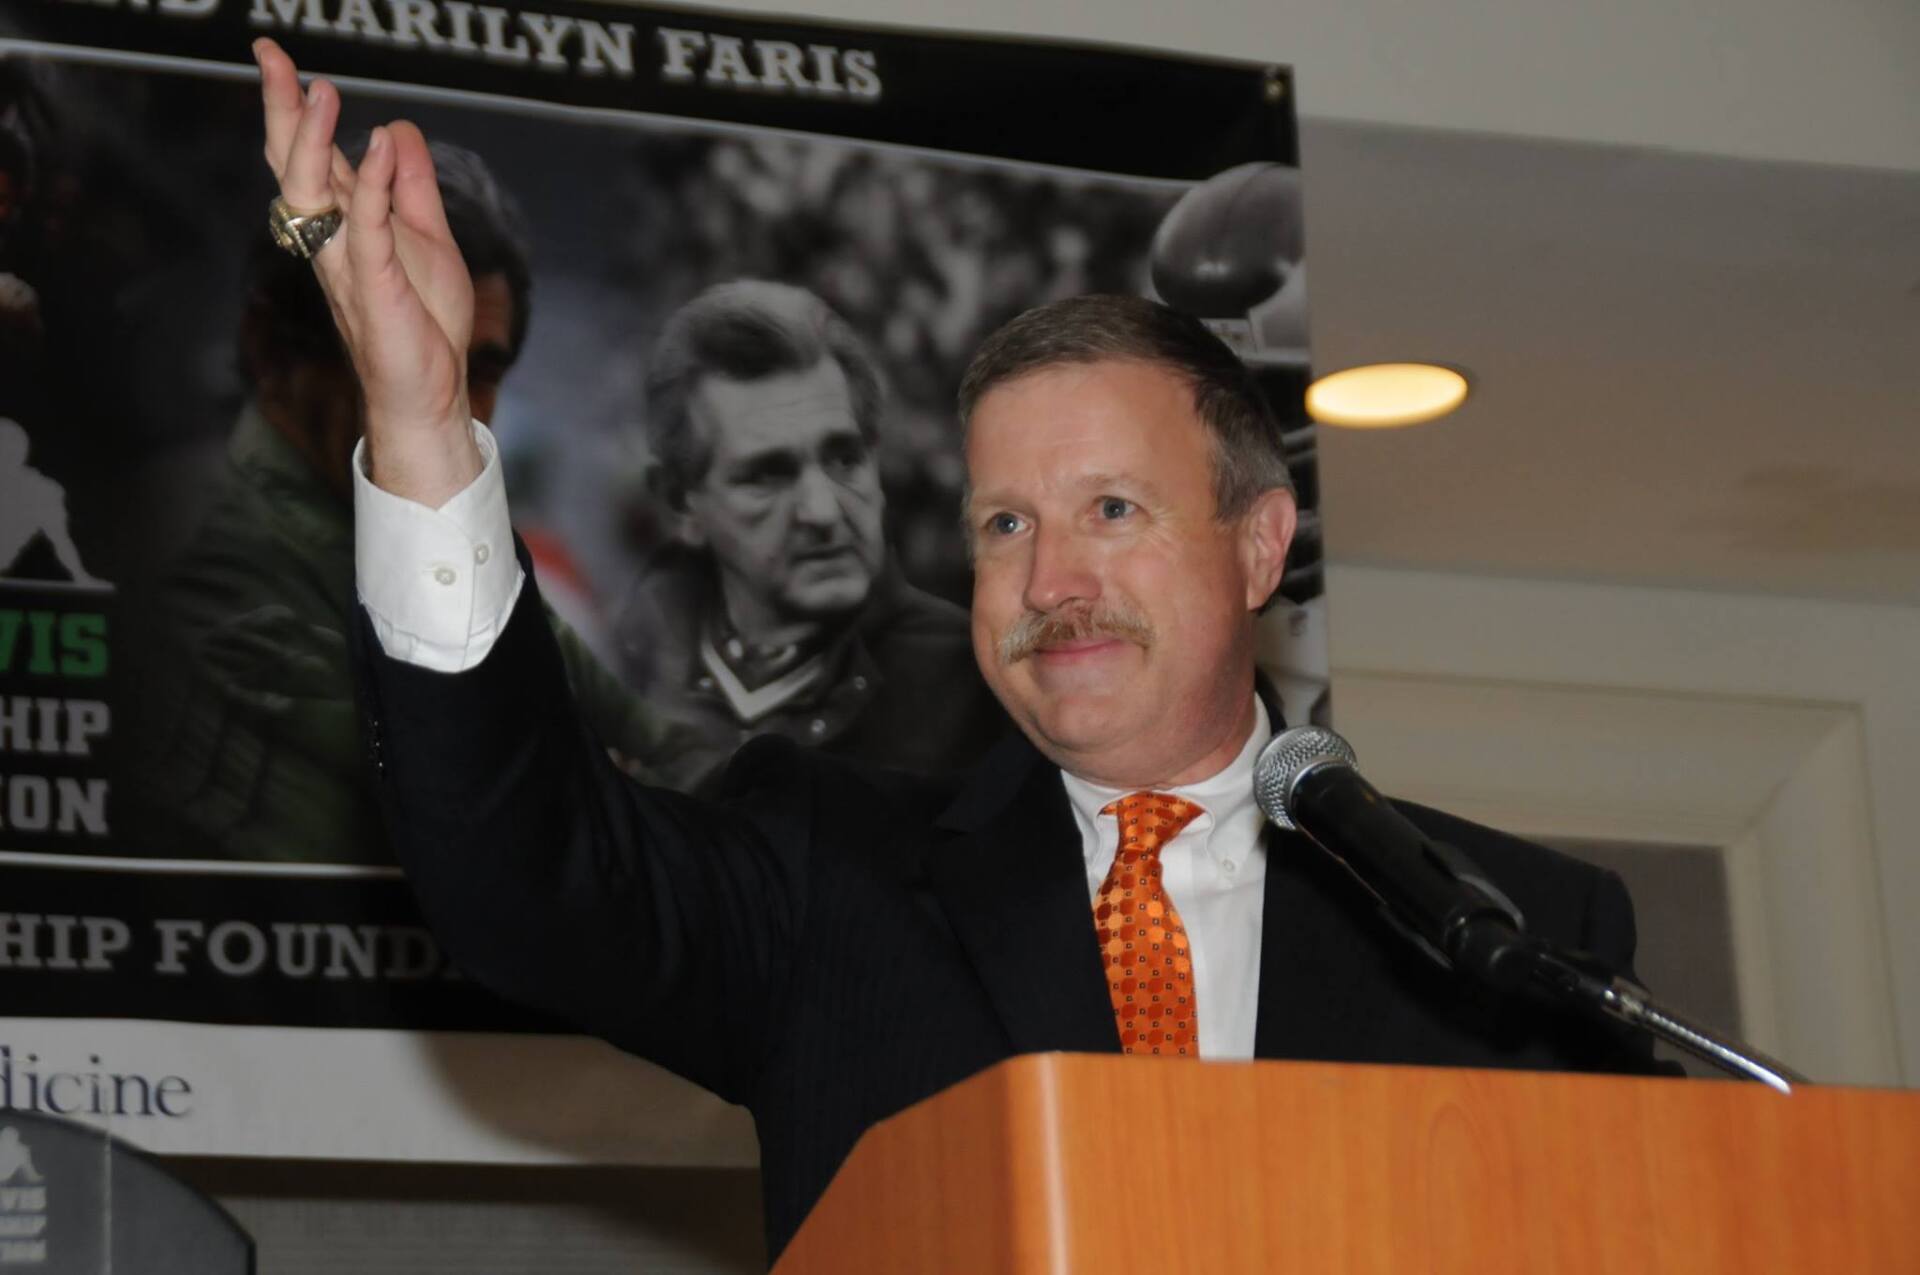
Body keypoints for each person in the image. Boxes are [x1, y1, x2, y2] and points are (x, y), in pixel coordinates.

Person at [251, 39, 1662, 1259]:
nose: (1051, 577)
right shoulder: (833, 873)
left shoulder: (1509, 932)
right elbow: (521, 874)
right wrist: (428, 425)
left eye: (1111, 508)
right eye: (1002, 522)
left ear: (1256, 541)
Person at [118, 133, 681, 863]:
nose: (439, 409)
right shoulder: (125, 550)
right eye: (388, 357)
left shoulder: (547, 612)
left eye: (474, 371)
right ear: (268, 344)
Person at [620, 280, 1007, 790]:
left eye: (844, 458)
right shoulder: (634, 657)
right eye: (767, 475)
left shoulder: (984, 690)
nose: (822, 512)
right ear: (680, 502)